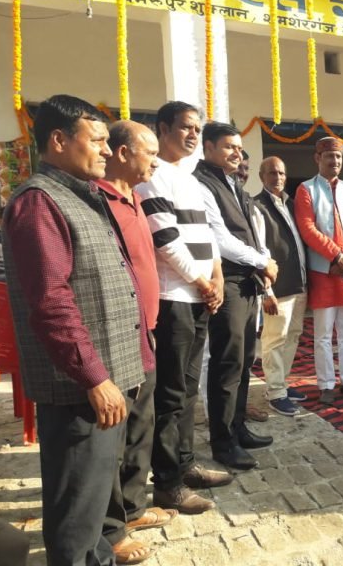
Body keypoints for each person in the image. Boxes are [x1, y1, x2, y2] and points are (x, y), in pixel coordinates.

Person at [1, 94, 149, 564]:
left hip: (103, 378)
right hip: (78, 386)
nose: (107, 150)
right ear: (59, 140)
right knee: (76, 510)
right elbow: (51, 302)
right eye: (98, 140)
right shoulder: (39, 203)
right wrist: (94, 377)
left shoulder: (81, 194)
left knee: (93, 498)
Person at [136, 101, 232, 515]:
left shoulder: (190, 179)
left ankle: (186, 463)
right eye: (185, 127)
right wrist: (201, 281)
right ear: (163, 128)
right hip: (174, 297)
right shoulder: (153, 175)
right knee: (171, 394)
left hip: (199, 295)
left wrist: (217, 277)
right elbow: (166, 240)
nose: (193, 135)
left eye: (197, 128)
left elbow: (207, 236)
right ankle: (167, 484)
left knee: (189, 390)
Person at [97, 120, 175, 564]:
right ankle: (110, 530)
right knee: (114, 436)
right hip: (116, 337)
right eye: (150, 152)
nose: (156, 162)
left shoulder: (135, 199)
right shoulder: (98, 201)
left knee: (142, 424)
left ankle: (132, 507)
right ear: (123, 153)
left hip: (146, 329)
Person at [194, 122, 275, 470]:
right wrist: (262, 261)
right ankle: (223, 442)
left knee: (243, 361)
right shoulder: (202, 183)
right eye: (228, 147)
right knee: (227, 363)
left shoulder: (232, 183)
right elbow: (220, 238)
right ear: (209, 147)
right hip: (226, 279)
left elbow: (252, 231)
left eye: (239, 148)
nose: (236, 154)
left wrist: (263, 262)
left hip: (248, 280)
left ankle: (238, 427)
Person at [294, 137, 343, 405]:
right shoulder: (306, 190)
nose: (334, 161)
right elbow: (307, 228)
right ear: (318, 158)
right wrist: (337, 256)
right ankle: (326, 384)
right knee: (323, 333)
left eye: (338, 156)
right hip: (323, 272)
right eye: (329, 156)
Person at [252, 157, 309, 415]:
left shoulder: (292, 204)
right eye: (272, 173)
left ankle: (281, 384)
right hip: (278, 286)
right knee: (275, 338)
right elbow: (259, 252)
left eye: (282, 173)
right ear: (262, 176)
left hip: (299, 283)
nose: (278, 178)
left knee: (293, 334)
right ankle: (275, 392)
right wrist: (267, 290)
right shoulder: (257, 207)